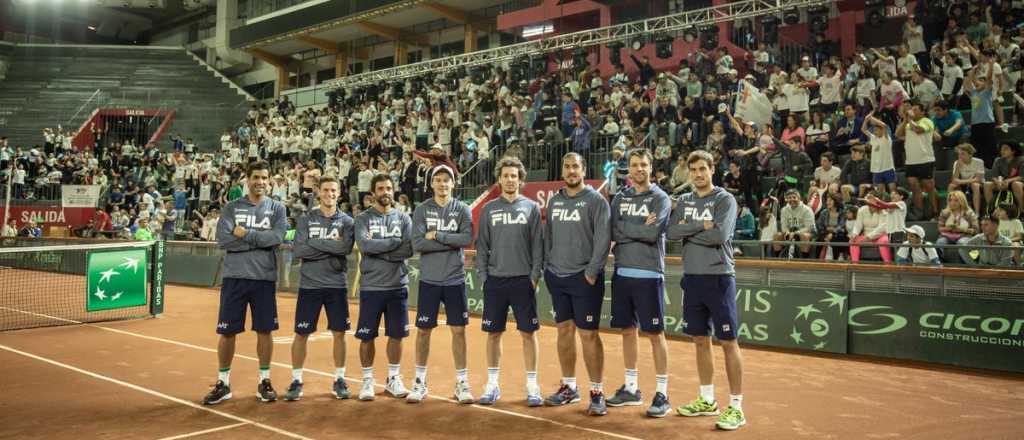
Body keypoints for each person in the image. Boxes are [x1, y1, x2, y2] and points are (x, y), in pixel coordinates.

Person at [666, 150, 746, 431]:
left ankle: (736, 406)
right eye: (694, 170)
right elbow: (671, 233)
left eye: (703, 169)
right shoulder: (686, 200)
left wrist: (689, 229)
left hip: (719, 277)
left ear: (712, 169)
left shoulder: (724, 199)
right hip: (693, 278)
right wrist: (701, 225)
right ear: (689, 173)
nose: (698, 174)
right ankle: (707, 399)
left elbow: (719, 236)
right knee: (700, 340)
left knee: (728, 342)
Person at [204, 161, 288, 405]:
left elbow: (277, 238)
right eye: (256, 177)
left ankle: (264, 380)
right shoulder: (232, 207)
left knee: (265, 330)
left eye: (264, 177)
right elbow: (224, 240)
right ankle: (224, 383)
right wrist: (260, 241)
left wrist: (247, 235)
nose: (260, 182)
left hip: (263, 279)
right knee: (227, 331)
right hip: (234, 278)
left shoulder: (277, 209)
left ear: (269, 180)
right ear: (247, 180)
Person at [542, 152, 611, 416]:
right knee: (563, 331)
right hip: (557, 277)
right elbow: (548, 237)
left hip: (584, 278)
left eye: (576, 167)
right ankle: (569, 387)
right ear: (562, 171)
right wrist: (548, 268)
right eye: (567, 167)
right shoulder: (555, 201)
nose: (572, 171)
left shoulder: (595, 201)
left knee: (589, 335)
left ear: (583, 170)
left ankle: (596, 391)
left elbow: (603, 239)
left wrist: (591, 273)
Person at [606, 149, 673, 417]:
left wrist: (627, 228)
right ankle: (631, 388)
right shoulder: (620, 198)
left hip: (649, 274)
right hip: (623, 273)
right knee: (627, 331)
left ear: (651, 168)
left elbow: (652, 233)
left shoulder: (660, 198)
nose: (639, 169)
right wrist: (637, 228)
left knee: (655, 334)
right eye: (634, 165)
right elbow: (613, 230)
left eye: (643, 165)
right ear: (629, 170)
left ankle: (662, 392)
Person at [475, 156, 544, 407]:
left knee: (529, 334)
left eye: (514, 176)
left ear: (520, 179)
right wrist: (484, 277)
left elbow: (538, 246)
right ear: (499, 179)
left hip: (523, 281)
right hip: (495, 281)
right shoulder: (489, 209)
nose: (510, 179)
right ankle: (492, 384)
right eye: (506, 176)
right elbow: (481, 247)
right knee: (493, 334)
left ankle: (533, 385)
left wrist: (535, 276)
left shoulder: (532, 208)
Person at [285, 176, 355, 401]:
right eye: (326, 190)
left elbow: (345, 247)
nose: (330, 194)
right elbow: (299, 250)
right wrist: (330, 247)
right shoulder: (306, 218)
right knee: (301, 333)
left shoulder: (347, 221)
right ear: (318, 193)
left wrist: (314, 244)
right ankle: (296, 380)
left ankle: (340, 379)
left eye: (334, 190)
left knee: (339, 334)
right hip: (310, 285)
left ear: (339, 193)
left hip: (336, 285)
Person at [409, 165, 475, 404]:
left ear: (453, 183)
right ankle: (419, 381)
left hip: (455, 279)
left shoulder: (463, 209)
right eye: (438, 180)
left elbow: (466, 239)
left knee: (458, 330)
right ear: (432, 184)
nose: (442, 184)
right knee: (424, 331)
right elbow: (418, 243)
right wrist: (451, 241)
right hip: (429, 280)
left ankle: (462, 382)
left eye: (446, 180)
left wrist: (437, 235)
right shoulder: (422, 209)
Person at [353, 174, 414, 401]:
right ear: (373, 193)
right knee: (367, 336)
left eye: (389, 188)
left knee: (396, 335)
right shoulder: (363, 219)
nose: (385, 192)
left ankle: (393, 378)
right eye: (381, 189)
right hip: (372, 286)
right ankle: (367, 380)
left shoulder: (404, 219)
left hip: (398, 285)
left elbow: (408, 250)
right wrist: (392, 245)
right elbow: (364, 245)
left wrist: (378, 249)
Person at [896, 101, 938, 220]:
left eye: (915, 109)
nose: (912, 111)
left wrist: (909, 120)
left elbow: (919, 130)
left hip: (925, 159)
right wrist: (905, 120)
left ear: (922, 111)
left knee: (929, 186)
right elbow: (897, 134)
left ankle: (935, 212)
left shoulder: (927, 121)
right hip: (910, 161)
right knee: (914, 187)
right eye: (911, 110)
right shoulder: (908, 124)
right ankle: (919, 213)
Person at [936, 190, 980, 264]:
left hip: (965, 235)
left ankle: (968, 262)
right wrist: (948, 228)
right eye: (950, 200)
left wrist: (962, 229)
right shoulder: (945, 212)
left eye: (956, 200)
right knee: (939, 242)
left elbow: (976, 230)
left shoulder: (969, 213)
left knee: (961, 242)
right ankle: (940, 262)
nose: (952, 203)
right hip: (947, 236)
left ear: (961, 201)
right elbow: (939, 228)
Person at [773, 189, 815, 258]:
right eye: (789, 198)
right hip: (789, 234)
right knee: (776, 236)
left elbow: (809, 227)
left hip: (805, 233)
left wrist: (796, 233)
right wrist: (787, 233)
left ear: (799, 198)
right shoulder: (784, 210)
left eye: (794, 197)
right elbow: (784, 226)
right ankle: (778, 260)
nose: (792, 199)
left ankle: (804, 260)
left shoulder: (807, 210)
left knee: (804, 236)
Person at [949, 143, 986, 214]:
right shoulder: (957, 163)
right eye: (959, 154)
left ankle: (976, 213)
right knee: (951, 186)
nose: (960, 156)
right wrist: (957, 168)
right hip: (964, 184)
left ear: (970, 155)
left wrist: (960, 182)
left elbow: (978, 179)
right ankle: (950, 211)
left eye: (963, 154)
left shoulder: (979, 162)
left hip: (979, 184)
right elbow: (954, 180)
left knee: (974, 185)